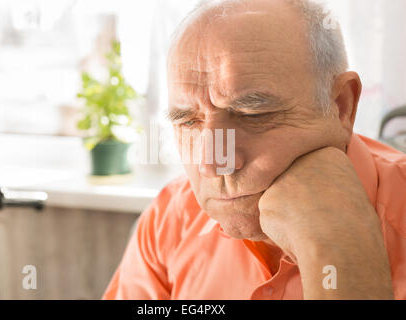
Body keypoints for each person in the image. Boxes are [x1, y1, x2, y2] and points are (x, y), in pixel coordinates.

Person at [103, 0, 406, 299]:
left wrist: (338, 250)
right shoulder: (171, 217)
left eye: (252, 115)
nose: (211, 163)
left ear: (341, 106)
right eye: (188, 122)